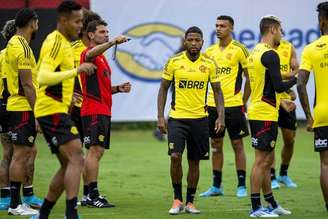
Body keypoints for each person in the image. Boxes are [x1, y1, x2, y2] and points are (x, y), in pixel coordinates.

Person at [31, 1, 96, 218]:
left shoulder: (66, 43)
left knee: (68, 163)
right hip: (51, 110)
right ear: (63, 20)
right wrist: (76, 70)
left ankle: (44, 214)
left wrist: (69, 97)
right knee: (77, 157)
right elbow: (43, 77)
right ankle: (71, 213)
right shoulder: (56, 42)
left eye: (82, 21)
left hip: (57, 110)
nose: (81, 26)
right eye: (77, 21)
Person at [157, 26, 225, 215]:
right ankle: (177, 199)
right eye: (191, 40)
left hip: (200, 120)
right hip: (177, 119)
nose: (194, 43)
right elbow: (163, 88)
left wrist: (221, 116)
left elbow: (218, 91)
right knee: (175, 157)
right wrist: (160, 116)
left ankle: (190, 202)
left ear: (202, 42)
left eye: (197, 40)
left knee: (194, 162)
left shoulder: (209, 64)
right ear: (185, 42)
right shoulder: (174, 62)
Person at [247, 15, 296, 217]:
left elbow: (263, 86)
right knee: (261, 161)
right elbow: (278, 86)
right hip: (264, 114)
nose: (282, 34)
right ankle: (256, 208)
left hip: (261, 110)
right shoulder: (271, 54)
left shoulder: (254, 52)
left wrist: (282, 102)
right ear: (273, 29)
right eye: (280, 30)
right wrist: (297, 80)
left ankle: (271, 203)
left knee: (266, 161)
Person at [80, 19, 131, 208]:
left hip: (101, 110)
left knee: (94, 152)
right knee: (95, 151)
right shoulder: (90, 53)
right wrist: (112, 43)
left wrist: (117, 88)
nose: (106, 35)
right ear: (91, 35)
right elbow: (88, 54)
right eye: (102, 32)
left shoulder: (101, 58)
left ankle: (87, 195)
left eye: (107, 32)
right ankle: (93, 195)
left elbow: (101, 88)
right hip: (94, 110)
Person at [200, 15, 250, 198]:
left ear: (231, 28)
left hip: (234, 105)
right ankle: (216, 186)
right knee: (216, 144)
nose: (218, 28)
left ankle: (242, 185)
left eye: (223, 26)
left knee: (237, 144)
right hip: (213, 106)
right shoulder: (210, 51)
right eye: (216, 25)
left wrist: (243, 101)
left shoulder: (240, 49)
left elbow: (249, 78)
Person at [3, 8, 40, 216]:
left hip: (14, 105)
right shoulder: (23, 47)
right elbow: (27, 85)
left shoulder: (11, 44)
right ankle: (15, 205)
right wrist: (37, 113)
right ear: (32, 23)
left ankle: (16, 203)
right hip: (23, 107)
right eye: (37, 22)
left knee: (21, 155)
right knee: (20, 156)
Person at [297, 1, 328, 212]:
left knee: (326, 164)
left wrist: (308, 116)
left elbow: (300, 84)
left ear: (322, 21)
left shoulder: (311, 49)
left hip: (323, 112)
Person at [70, 9, 101, 206]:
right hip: (77, 108)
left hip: (87, 107)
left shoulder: (96, 52)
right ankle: (86, 194)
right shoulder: (72, 49)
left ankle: (87, 193)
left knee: (89, 153)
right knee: (84, 154)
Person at [271, 39, 299, 189]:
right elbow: (266, 75)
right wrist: (286, 76)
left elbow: (296, 70)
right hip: (271, 101)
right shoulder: (264, 49)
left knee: (289, 140)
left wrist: (285, 86)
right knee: (271, 141)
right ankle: (271, 176)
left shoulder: (289, 47)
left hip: (287, 100)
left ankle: (283, 173)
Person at [0, 19, 16, 210]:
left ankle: (5, 196)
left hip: (2, 105)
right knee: (25, 152)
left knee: (7, 153)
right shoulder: (19, 53)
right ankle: (23, 195)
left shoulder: (1, 55)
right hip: (14, 105)